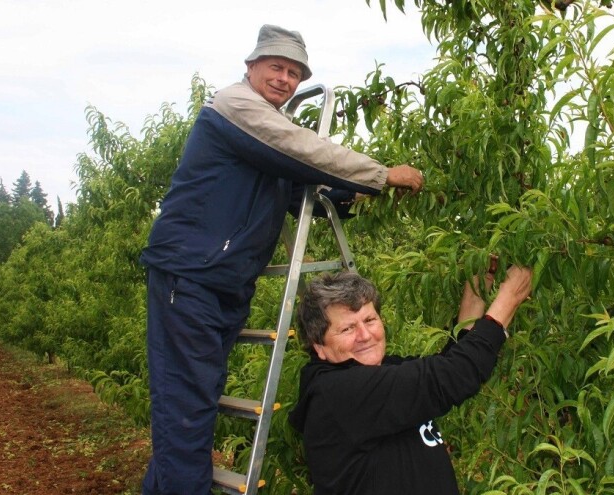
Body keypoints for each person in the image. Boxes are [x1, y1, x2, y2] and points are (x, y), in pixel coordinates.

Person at [139, 24, 424, 495]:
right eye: (276, 67)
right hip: (189, 276)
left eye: (294, 73)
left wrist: (355, 196)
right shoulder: (236, 108)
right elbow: (299, 149)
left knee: (192, 406)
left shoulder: (265, 138)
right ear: (250, 67)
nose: (285, 79)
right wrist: (379, 173)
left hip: (223, 284)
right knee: (185, 413)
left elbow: (302, 189)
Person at [288, 265, 533, 494]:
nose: (365, 335)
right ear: (318, 346)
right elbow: (452, 376)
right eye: (347, 329)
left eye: (370, 320)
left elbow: (444, 364)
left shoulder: (378, 370)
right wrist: (507, 300)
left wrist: (474, 295)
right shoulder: (339, 393)